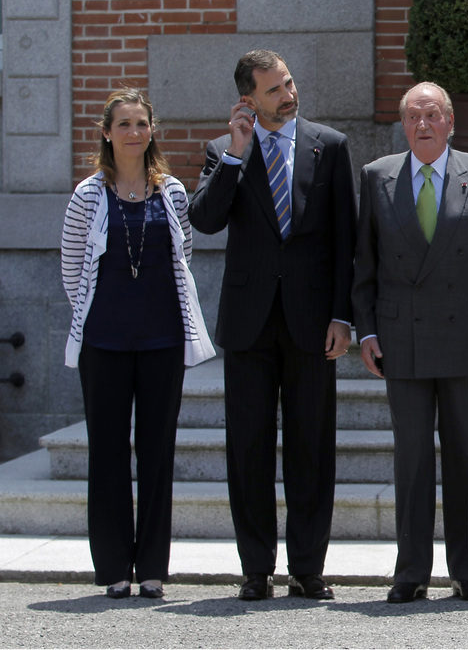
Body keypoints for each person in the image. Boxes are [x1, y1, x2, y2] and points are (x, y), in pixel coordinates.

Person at [188, 50, 357, 601]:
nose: (288, 94)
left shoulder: (328, 146)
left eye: (288, 82)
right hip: (248, 324)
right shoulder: (222, 152)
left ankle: (308, 567)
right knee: (249, 448)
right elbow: (206, 221)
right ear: (248, 100)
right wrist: (236, 156)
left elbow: (344, 240)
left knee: (313, 445)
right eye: (273, 90)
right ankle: (255, 568)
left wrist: (342, 315)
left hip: (312, 322)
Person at [351, 81, 468, 604]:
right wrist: (369, 330)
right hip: (401, 339)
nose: (422, 124)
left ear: (450, 121)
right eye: (412, 117)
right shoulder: (377, 176)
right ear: (403, 126)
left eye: (432, 115)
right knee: (412, 460)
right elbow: (365, 262)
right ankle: (411, 572)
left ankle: (467, 570)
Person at [61, 88, 216, 599]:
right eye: (123, 124)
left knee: (157, 454)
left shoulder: (170, 191)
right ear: (106, 133)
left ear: (152, 131)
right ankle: (112, 570)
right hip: (103, 343)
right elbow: (71, 271)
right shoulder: (87, 195)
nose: (133, 132)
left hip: (162, 341)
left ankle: (151, 567)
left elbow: (184, 256)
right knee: (106, 455)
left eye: (141, 123)